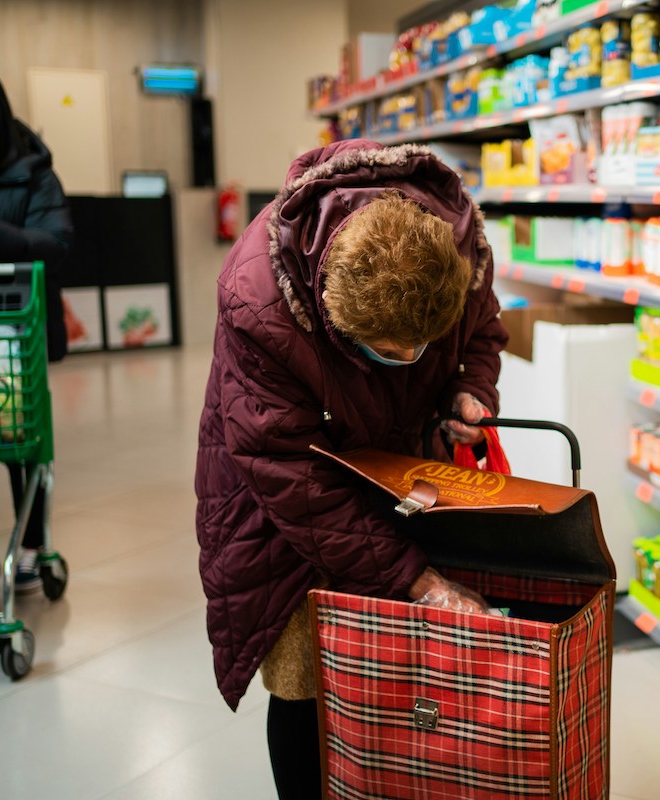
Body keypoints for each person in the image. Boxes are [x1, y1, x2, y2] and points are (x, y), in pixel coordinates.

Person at [194, 140, 507, 800]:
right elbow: (284, 470)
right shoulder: (260, 297)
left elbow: (480, 333)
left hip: (404, 476)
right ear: (330, 309)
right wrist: (413, 578)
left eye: (419, 347)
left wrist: (469, 391)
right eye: (387, 351)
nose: (409, 357)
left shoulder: (461, 252)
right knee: (304, 669)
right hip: (287, 497)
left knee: (406, 668)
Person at [0, 70, 72, 591]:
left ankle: (31, 544)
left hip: (12, 334)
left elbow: (57, 243)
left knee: (20, 441)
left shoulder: (32, 168)